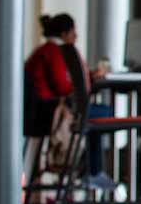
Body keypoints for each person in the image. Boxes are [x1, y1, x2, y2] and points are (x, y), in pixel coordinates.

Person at [24, 13, 116, 191]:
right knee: (104, 113)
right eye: (74, 31)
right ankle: (93, 171)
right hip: (48, 113)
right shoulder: (56, 51)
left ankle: (90, 170)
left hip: (38, 113)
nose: (76, 36)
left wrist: (87, 76)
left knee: (96, 114)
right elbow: (63, 86)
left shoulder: (43, 50)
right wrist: (89, 77)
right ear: (65, 33)